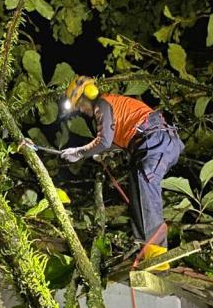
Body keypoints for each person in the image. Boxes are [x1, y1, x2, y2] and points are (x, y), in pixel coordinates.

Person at [58, 76, 184, 267]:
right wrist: (99, 154)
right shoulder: (111, 108)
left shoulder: (103, 104)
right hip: (149, 145)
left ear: (88, 95)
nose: (81, 110)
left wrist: (80, 152)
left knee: (146, 184)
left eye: (80, 104)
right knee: (137, 193)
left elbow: (104, 141)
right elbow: (111, 143)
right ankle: (146, 250)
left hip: (157, 141)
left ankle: (159, 256)